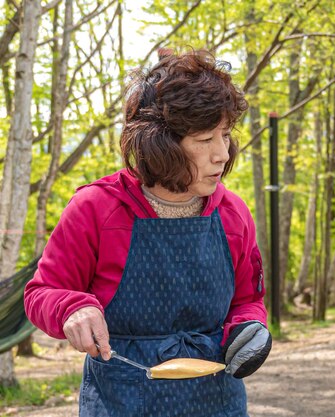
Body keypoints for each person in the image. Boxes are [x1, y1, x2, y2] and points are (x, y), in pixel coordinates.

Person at [24, 49, 272, 417]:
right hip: (122, 400)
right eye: (205, 140)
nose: (222, 153)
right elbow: (42, 293)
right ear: (162, 145)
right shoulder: (96, 208)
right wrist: (71, 309)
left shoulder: (233, 214)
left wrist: (249, 328)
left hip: (218, 401)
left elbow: (247, 299)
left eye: (225, 135)